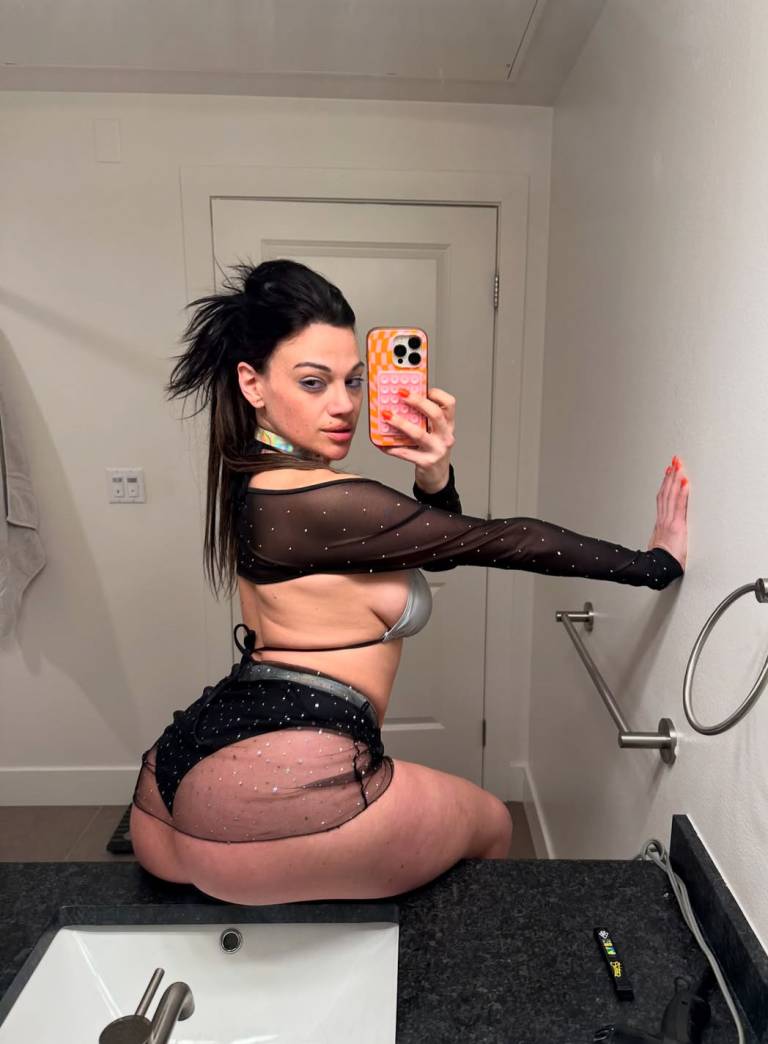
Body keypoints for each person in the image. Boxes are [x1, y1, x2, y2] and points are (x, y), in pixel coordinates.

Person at [130, 260, 689, 905]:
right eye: (313, 382)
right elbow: (502, 539)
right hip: (273, 783)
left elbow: (438, 549)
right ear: (252, 383)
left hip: (176, 775)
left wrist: (433, 476)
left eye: (353, 380)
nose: (344, 405)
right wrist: (654, 564)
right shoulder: (320, 500)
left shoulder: (256, 477)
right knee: (493, 825)